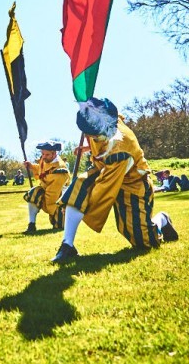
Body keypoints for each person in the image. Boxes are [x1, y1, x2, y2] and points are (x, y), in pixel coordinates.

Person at [53, 98, 178, 263]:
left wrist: (82, 206)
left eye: (93, 135)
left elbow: (104, 187)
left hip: (133, 184)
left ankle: (162, 219)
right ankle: (67, 245)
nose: (91, 137)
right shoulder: (104, 117)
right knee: (79, 187)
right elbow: (101, 144)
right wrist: (74, 200)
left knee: (144, 241)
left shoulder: (120, 148)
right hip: (103, 168)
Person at [22, 141, 71, 234]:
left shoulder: (60, 171)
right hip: (47, 192)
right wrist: (31, 166)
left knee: (59, 227)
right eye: (42, 154)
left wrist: (46, 208)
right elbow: (43, 168)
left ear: (54, 153)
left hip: (60, 200)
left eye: (47, 154)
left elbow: (52, 195)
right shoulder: (45, 160)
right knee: (34, 193)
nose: (44, 156)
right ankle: (31, 224)